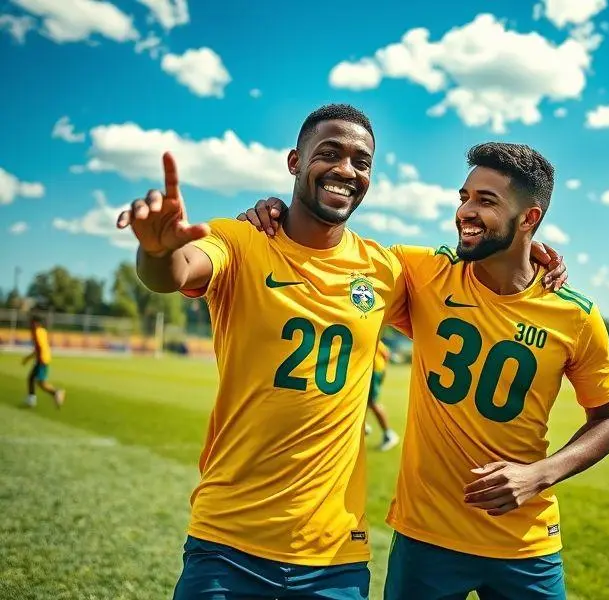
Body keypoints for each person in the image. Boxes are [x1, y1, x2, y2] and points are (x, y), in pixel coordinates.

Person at [116, 104, 568, 600]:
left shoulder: (386, 269)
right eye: (328, 154)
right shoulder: (240, 240)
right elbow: (175, 272)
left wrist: (532, 255)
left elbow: (481, 275)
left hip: (335, 556)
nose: (345, 170)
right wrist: (157, 251)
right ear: (295, 161)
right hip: (227, 541)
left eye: (362, 161)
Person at [242, 142, 609, 599]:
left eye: (486, 201)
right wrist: (275, 214)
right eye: (464, 196)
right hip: (426, 538)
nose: (465, 210)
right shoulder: (423, 272)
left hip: (525, 542)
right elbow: (333, 252)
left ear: (529, 219)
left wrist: (539, 474)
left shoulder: (575, 315)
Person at [22, 316, 65, 409]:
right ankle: (31, 399)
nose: (30, 325)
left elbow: (40, 347)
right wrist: (29, 358)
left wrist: (33, 359)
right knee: (31, 378)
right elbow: (40, 347)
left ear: (36, 323)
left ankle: (56, 392)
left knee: (41, 383)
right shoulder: (42, 331)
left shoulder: (36, 332)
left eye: (32, 323)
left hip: (42, 360)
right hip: (44, 358)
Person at [365, 338, 400, 451]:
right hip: (375, 371)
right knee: (366, 401)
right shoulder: (376, 338)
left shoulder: (373, 337)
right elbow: (386, 355)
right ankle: (363, 426)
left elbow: (386, 354)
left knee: (372, 402)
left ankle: (389, 434)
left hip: (374, 371)